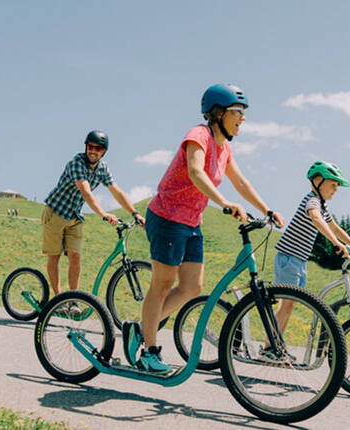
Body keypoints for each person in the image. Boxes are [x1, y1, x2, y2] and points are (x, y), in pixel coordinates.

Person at [121, 84, 286, 373]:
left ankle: (140, 329)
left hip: (191, 222)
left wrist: (266, 209)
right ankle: (149, 349)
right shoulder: (198, 135)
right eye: (237, 112)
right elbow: (196, 171)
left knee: (191, 287)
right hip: (168, 216)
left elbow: (241, 182)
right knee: (162, 283)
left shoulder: (225, 148)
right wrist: (223, 202)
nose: (242, 118)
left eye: (243, 113)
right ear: (218, 113)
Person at [268, 161, 350, 358]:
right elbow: (316, 219)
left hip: (298, 260)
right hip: (289, 257)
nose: (335, 190)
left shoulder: (322, 205)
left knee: (289, 305)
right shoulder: (312, 201)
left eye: (337, 187)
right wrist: (336, 243)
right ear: (318, 181)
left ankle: (275, 346)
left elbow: (336, 227)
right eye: (333, 184)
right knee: (286, 305)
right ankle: (270, 348)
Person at [41, 130, 146, 308]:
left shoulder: (103, 168)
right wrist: (103, 214)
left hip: (74, 216)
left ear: (104, 152)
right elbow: (86, 192)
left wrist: (135, 213)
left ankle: (72, 301)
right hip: (56, 212)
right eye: (90, 146)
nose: (93, 151)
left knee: (75, 257)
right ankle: (58, 299)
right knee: (54, 257)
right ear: (85, 147)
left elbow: (117, 192)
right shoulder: (76, 163)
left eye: (98, 148)